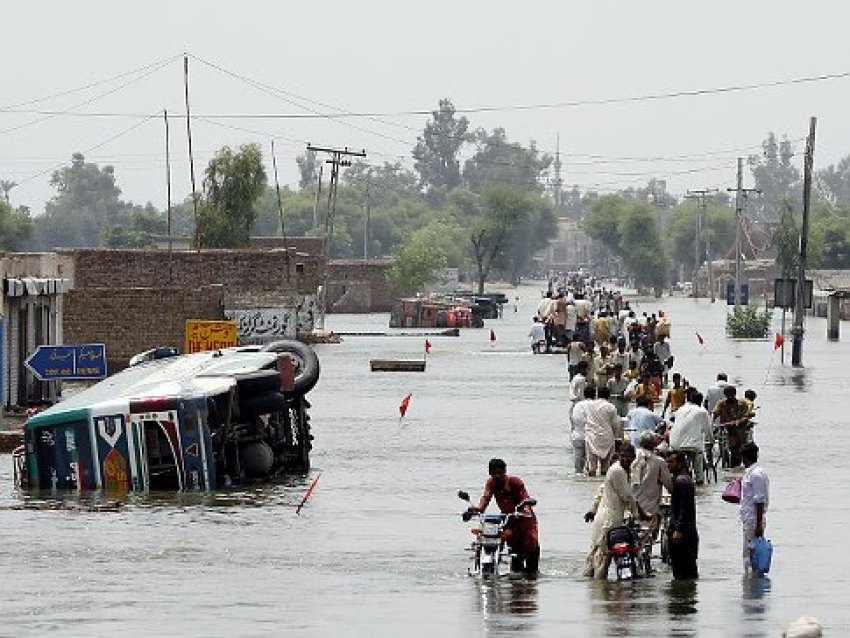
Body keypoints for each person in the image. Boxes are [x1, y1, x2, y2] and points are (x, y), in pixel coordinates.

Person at [469, 458, 539, 573]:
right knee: (514, 552)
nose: (497, 476)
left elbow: (525, 497)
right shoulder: (490, 483)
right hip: (508, 520)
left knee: (531, 546)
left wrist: (526, 509)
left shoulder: (515, 482)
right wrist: (477, 509)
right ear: (489, 473)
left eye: (499, 472)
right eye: (494, 473)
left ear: (504, 471)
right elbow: (485, 498)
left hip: (524, 519)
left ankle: (531, 579)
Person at [583, 443, 642, 579]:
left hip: (604, 515)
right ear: (618, 456)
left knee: (595, 551)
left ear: (634, 458)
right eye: (623, 456)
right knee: (603, 556)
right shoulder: (617, 471)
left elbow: (601, 490)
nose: (626, 459)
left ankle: (590, 583)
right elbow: (627, 496)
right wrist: (638, 514)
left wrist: (592, 509)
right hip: (609, 518)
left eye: (629, 457)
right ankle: (600, 587)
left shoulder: (623, 471)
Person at [632, 431, 672, 544]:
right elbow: (668, 483)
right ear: (654, 445)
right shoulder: (659, 462)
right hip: (649, 504)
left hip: (630, 501)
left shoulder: (631, 456)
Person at [666, 451, 699, 579]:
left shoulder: (682, 481)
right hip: (685, 531)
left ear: (680, 464)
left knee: (683, 569)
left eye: (671, 462)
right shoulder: (682, 479)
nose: (668, 465)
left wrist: (678, 530)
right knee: (684, 568)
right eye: (667, 462)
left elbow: (685, 508)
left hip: (683, 533)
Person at [669, 391, 713, 485]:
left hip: (674, 443)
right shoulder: (702, 411)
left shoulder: (681, 409)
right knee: (698, 455)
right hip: (692, 446)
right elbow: (708, 429)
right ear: (701, 401)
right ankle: (699, 479)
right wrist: (711, 441)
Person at [740, 442, 769, 575]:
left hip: (753, 519)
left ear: (745, 458)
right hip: (749, 518)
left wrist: (758, 525)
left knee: (750, 553)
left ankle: (751, 579)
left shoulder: (756, 475)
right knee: (750, 551)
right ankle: (751, 579)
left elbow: (759, 500)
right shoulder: (750, 473)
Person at [584, 387, 623, 477]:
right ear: (608, 395)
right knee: (605, 467)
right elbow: (615, 425)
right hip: (607, 438)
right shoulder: (611, 407)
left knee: (592, 467)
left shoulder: (589, 406)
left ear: (597, 394)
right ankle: (603, 484)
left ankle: (590, 483)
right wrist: (617, 438)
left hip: (592, 437)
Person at [713, 386, 750, 467]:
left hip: (739, 429)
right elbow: (715, 413)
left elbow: (745, 416)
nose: (729, 396)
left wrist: (737, 422)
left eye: (731, 394)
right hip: (725, 429)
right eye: (727, 394)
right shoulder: (721, 403)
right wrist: (711, 422)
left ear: (734, 394)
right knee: (724, 447)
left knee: (738, 451)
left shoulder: (742, 404)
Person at [571, 387, 596, 475]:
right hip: (591, 436)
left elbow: (572, 420)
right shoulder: (595, 405)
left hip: (577, 435)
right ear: (595, 394)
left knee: (578, 464)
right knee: (590, 464)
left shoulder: (577, 405)